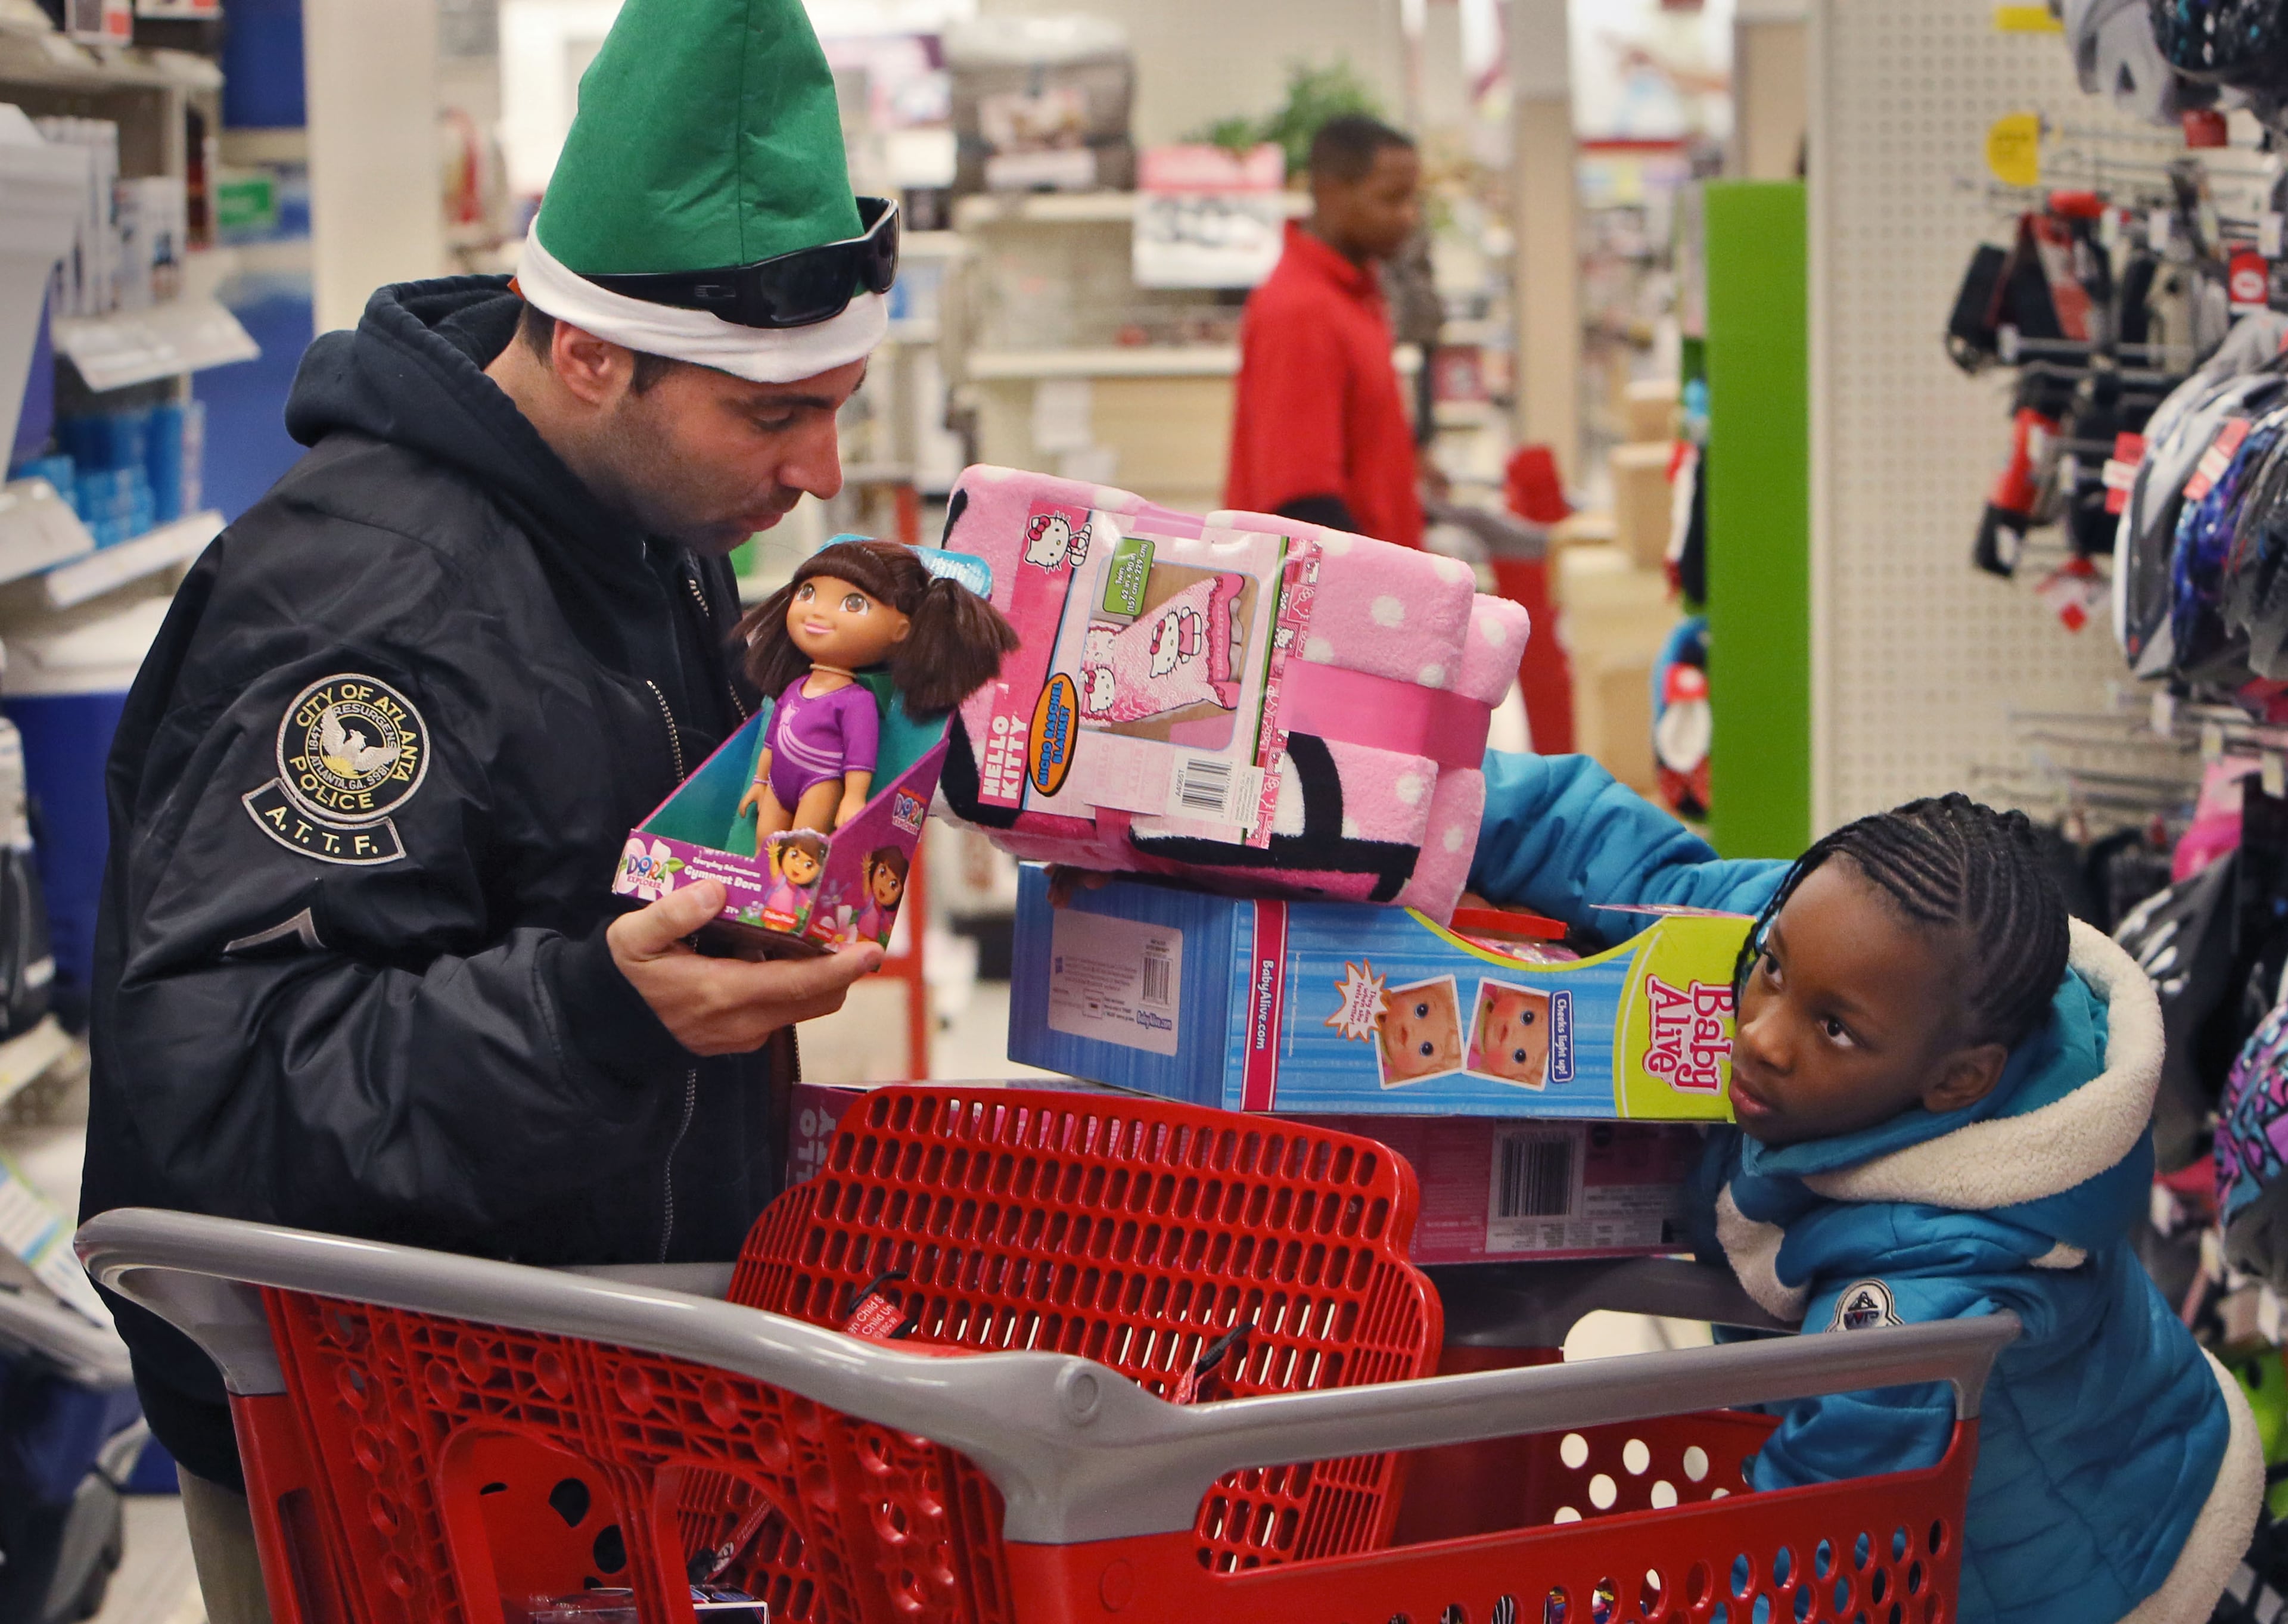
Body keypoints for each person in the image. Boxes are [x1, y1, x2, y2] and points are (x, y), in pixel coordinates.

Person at [79, 1, 897, 1617]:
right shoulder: (359, 604)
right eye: (772, 414)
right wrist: (598, 1008)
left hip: (583, 1405)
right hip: (377, 1458)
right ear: (588, 350)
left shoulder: (638, 507)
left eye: (838, 404)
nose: (819, 464)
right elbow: (209, 1095)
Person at [1469, 751, 2261, 1624]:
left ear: (1960, 1080)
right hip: (2103, 1417)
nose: (1762, 1036)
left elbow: (1804, 1558)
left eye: (1836, 1029)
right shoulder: (1847, 944)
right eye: (1770, 969)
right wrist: (1417, 796)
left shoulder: (1923, 1302)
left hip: (2094, 1564)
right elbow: (1632, 866)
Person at [1224, 113, 1428, 549]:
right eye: (1392, 199)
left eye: (1414, 199)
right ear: (1332, 193)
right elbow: (1304, 505)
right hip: (1339, 600)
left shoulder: (1355, 295)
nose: (1409, 217)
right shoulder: (1302, 310)